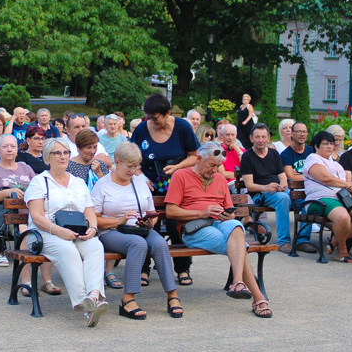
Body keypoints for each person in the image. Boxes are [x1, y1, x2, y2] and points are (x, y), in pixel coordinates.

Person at [165, 141, 272, 318]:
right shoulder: (181, 175)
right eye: (212, 165)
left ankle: (238, 282)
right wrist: (202, 212)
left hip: (220, 224)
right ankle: (258, 298)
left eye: (218, 166)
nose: (215, 170)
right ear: (198, 159)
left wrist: (227, 216)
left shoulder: (220, 179)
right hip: (195, 228)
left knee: (236, 225)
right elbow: (170, 211)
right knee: (239, 246)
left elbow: (229, 211)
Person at [92, 142, 181, 320]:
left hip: (139, 228)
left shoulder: (139, 183)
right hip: (111, 230)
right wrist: (119, 220)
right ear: (117, 162)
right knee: (138, 244)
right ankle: (128, 298)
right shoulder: (103, 185)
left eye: (136, 166)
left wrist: (150, 221)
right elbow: (94, 219)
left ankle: (172, 295)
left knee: (161, 244)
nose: (133, 171)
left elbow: (151, 213)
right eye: (129, 166)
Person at [25, 138, 107, 327]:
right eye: (57, 153)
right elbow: (37, 217)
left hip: (77, 231)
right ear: (48, 157)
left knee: (95, 246)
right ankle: (85, 305)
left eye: (66, 153)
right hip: (44, 233)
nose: (63, 157)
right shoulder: (39, 182)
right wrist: (58, 230)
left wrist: (93, 229)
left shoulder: (78, 182)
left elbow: (89, 212)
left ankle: (94, 295)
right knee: (68, 251)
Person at [130, 93, 199, 285]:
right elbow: (130, 156)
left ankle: (182, 268)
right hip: (148, 185)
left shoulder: (182, 127)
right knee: (145, 224)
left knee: (175, 224)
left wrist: (177, 167)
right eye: (148, 117)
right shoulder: (143, 128)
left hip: (176, 184)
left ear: (167, 113)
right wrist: (141, 175)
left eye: (155, 117)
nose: (151, 121)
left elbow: (195, 156)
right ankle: (143, 269)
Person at [302, 131, 352, 263]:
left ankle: (335, 241)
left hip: (341, 198)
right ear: (317, 146)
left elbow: (345, 187)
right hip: (319, 199)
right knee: (343, 217)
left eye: (331, 143)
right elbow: (325, 178)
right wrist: (348, 185)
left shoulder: (336, 164)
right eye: (325, 144)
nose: (329, 146)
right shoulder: (313, 158)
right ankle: (342, 251)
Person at [0, 134, 37, 267]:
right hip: (9, 216)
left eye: (13, 146)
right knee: (23, 229)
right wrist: (7, 192)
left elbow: (38, 189)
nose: (9, 149)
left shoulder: (26, 168)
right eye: (5, 147)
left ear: (18, 150)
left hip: (32, 212)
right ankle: (24, 267)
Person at [240, 123, 294, 253]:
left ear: (268, 138)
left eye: (263, 137)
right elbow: (249, 185)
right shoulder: (247, 157)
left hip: (277, 190)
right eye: (257, 137)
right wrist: (266, 187)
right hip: (260, 194)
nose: (260, 140)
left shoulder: (274, 154)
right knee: (283, 199)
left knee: (300, 197)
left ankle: (302, 240)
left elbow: (282, 176)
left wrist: (283, 184)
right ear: (251, 138)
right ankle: (283, 241)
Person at [218, 124, 242, 188]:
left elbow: (248, 168)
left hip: (244, 182)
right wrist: (243, 174)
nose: (230, 138)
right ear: (222, 135)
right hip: (228, 184)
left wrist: (238, 151)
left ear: (236, 135)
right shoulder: (218, 151)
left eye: (233, 135)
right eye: (227, 135)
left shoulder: (241, 151)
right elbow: (223, 173)